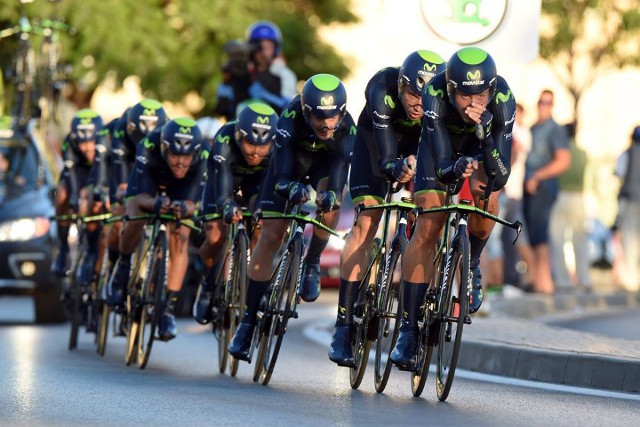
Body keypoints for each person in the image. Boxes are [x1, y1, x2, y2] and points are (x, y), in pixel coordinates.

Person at [390, 47, 516, 369]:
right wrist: (456, 167)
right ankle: (408, 328)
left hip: (482, 146)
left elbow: (501, 175)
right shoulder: (435, 94)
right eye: (466, 96)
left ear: (491, 88)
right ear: (451, 90)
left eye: (482, 94)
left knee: (488, 195)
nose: (475, 103)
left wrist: (486, 136)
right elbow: (443, 164)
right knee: (429, 224)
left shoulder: (502, 100)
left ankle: (471, 262)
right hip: (441, 150)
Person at [327, 50, 446, 366]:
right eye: (412, 95)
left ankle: (411, 322)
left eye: (426, 98)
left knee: (429, 217)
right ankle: (343, 324)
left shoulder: (440, 103)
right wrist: (395, 167)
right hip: (377, 143)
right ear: (401, 85)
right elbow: (385, 158)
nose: (419, 104)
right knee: (366, 223)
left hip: (420, 146)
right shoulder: (381, 86)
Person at [228, 74, 355, 361]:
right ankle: (247, 323)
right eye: (320, 117)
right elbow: (281, 174)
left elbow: (337, 175)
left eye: (333, 117)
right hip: (291, 164)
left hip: (326, 165)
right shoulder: (289, 116)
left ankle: (311, 262)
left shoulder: (347, 128)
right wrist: (290, 187)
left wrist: (331, 195)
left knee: (330, 204)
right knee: (270, 233)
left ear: (342, 113)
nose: (327, 124)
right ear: (306, 110)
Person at [108, 118, 207, 341]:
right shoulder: (149, 145)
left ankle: (166, 310)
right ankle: (123, 267)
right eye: (175, 155)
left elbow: (195, 202)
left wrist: (184, 206)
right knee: (135, 216)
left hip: (183, 187)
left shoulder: (204, 155)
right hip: (150, 180)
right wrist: (154, 203)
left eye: (186, 156)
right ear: (163, 148)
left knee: (181, 234)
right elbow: (139, 196)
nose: (181, 162)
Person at [193, 102, 278, 325]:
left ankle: (253, 281)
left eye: (263, 146)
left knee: (261, 223)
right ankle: (208, 287)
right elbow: (221, 189)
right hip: (224, 178)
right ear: (239, 136)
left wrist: (260, 208)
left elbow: (269, 186)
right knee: (214, 236)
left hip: (256, 183)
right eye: (250, 143)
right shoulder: (224, 138)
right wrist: (227, 205)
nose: (257, 152)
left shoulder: (278, 146)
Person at [82, 100, 168, 287]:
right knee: (119, 211)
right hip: (125, 165)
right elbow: (121, 184)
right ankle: (116, 261)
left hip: (151, 167)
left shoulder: (164, 136)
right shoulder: (118, 133)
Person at [523, 89, 570, 295]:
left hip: (543, 187)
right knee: (533, 235)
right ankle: (537, 280)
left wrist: (538, 176)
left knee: (540, 235)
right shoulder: (533, 128)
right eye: (541, 102)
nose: (544, 106)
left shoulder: (555, 129)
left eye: (548, 103)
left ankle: (544, 284)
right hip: (530, 188)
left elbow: (563, 161)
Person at [51, 109, 103, 277]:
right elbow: (71, 175)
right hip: (78, 174)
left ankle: (92, 249)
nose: (86, 148)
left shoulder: (107, 143)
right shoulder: (69, 144)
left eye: (91, 142)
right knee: (63, 195)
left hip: (98, 174)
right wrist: (74, 200)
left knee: (94, 201)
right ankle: (63, 247)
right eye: (82, 143)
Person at [215, 21, 297, 119]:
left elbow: (289, 110)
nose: (263, 51)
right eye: (259, 46)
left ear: (275, 49)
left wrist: (264, 95)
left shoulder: (283, 75)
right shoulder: (241, 75)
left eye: (268, 47)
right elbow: (222, 110)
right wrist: (226, 81)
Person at [550, 129, 592, 291]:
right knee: (580, 240)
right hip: (579, 197)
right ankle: (584, 279)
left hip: (561, 195)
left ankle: (563, 280)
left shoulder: (559, 152)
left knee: (558, 239)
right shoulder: (583, 154)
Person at [613, 125, 640, 293]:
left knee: (630, 240)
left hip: (630, 200)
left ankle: (632, 279)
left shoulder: (628, 153)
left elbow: (619, 174)